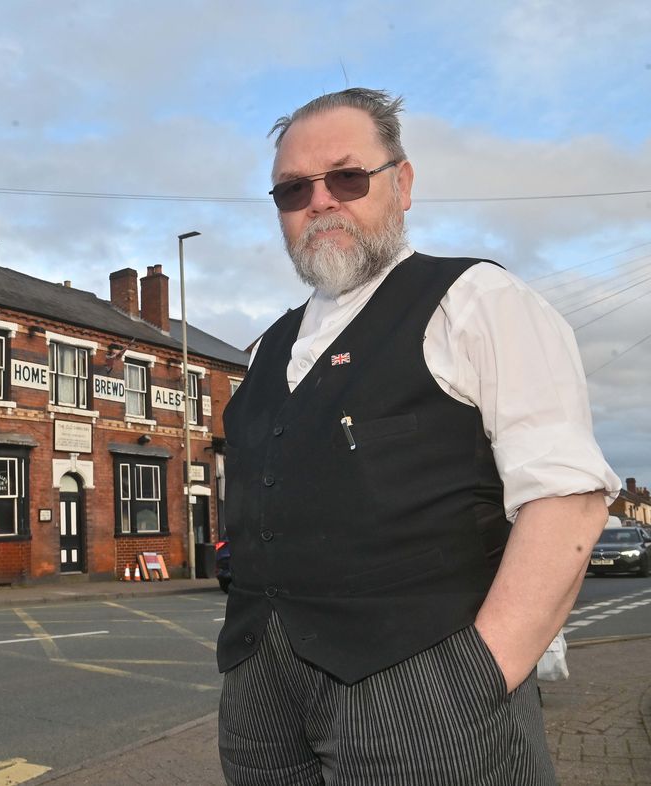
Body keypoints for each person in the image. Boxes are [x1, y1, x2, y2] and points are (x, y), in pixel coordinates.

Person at [216, 88, 620, 785]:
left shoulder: (476, 303)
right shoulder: (266, 350)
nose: (321, 201)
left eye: (347, 176)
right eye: (292, 189)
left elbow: (568, 501)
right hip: (262, 697)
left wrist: (477, 678)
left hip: (425, 689)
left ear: (401, 183)